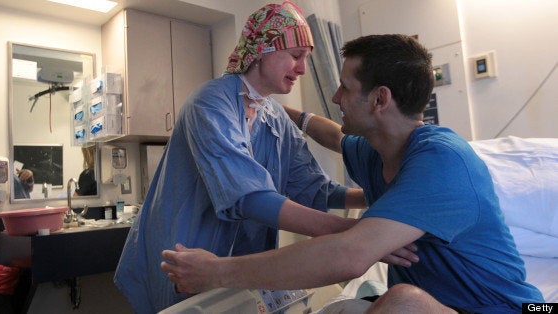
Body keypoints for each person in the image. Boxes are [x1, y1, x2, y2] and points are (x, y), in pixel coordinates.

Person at [161, 34, 545, 313]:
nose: (335, 97)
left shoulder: (443, 162)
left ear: (380, 99)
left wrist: (217, 273)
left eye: (344, 87)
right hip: (442, 303)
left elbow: (349, 256)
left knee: (403, 304)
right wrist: (277, 108)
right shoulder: (375, 148)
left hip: (508, 309)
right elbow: (333, 134)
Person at [114, 3, 418, 313]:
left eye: (306, 59)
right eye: (296, 55)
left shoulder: (274, 116)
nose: (301, 68)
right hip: (183, 250)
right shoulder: (211, 104)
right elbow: (251, 197)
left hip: (239, 262)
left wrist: (373, 197)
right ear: (262, 49)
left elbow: (313, 189)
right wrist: (361, 237)